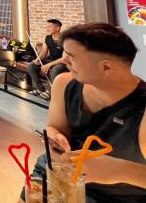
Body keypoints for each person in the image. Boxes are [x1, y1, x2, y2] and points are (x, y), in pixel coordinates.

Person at [21, 23, 145, 203]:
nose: (64, 60)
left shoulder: (141, 108)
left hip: (114, 195)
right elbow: (55, 127)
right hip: (55, 173)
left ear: (106, 67)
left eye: (71, 56)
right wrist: (55, 140)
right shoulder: (64, 83)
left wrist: (118, 170)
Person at [27, 19, 69, 99]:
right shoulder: (47, 38)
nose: (47, 28)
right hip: (50, 60)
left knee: (55, 70)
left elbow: (64, 58)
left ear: (58, 28)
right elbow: (43, 53)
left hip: (62, 62)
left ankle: (50, 92)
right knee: (31, 65)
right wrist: (38, 59)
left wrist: (49, 65)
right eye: (47, 26)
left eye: (49, 27)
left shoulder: (65, 40)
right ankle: (39, 89)